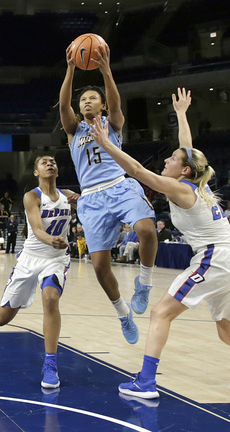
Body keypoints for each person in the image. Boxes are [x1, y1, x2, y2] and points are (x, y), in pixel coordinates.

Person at [88, 88, 230, 400]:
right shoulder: (197, 184)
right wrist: (182, 115)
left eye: (172, 159)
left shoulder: (180, 188)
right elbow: (188, 148)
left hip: (216, 259)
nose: (167, 159)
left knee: (160, 312)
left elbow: (138, 171)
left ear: (184, 170)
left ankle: (145, 382)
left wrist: (106, 144)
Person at [59, 41, 157, 341]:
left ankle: (145, 283)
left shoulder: (112, 124)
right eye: (83, 99)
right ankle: (122, 314)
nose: (87, 102)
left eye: (93, 98)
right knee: (100, 266)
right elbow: (63, 105)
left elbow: (115, 105)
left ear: (101, 105)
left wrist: (106, 71)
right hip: (91, 197)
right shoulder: (75, 130)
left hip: (119, 185)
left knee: (147, 231)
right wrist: (71, 68)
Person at [0, 156, 79, 388]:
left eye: (53, 161)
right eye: (44, 162)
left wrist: (85, 203)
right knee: (4, 317)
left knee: (50, 298)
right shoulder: (32, 196)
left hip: (56, 259)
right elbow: (37, 229)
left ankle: (50, 364)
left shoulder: (69, 196)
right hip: (30, 259)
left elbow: (94, 212)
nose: (50, 163)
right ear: (36, 172)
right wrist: (51, 239)